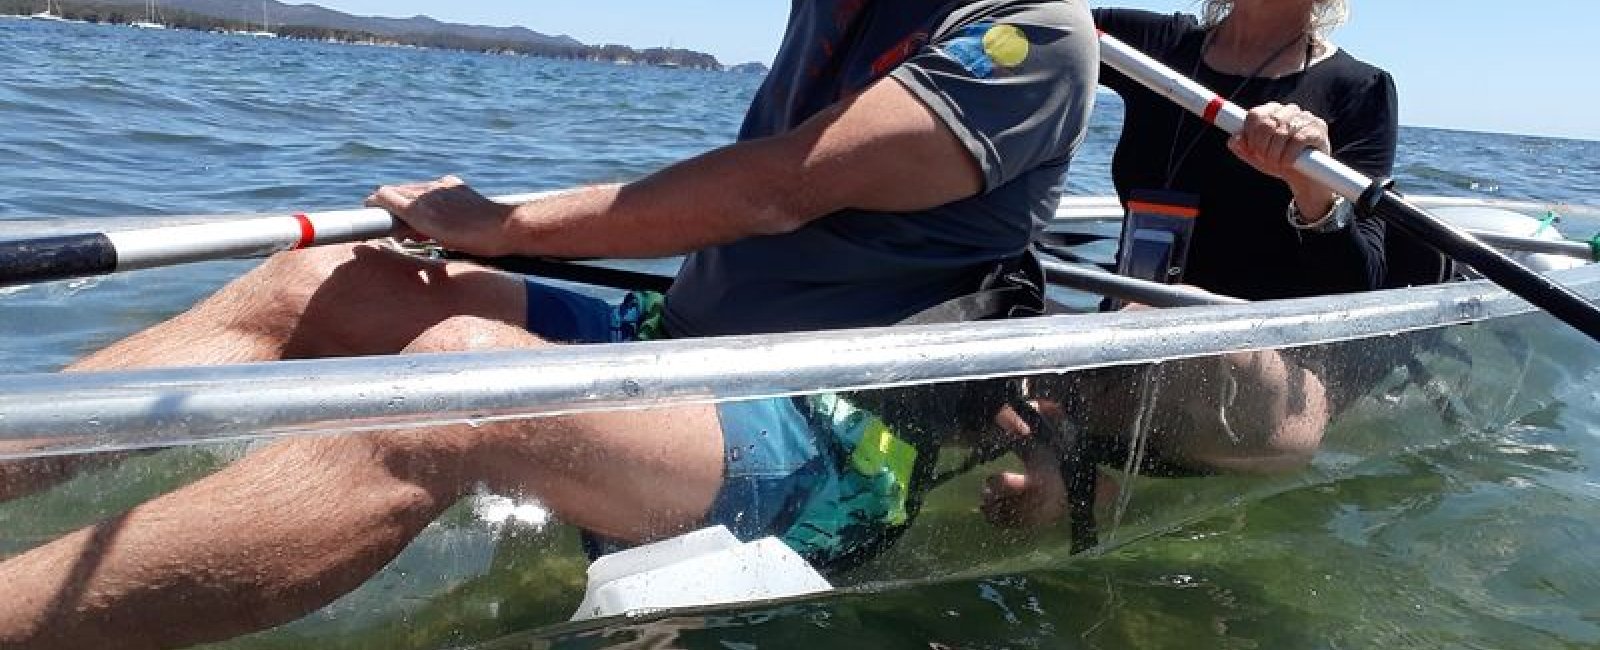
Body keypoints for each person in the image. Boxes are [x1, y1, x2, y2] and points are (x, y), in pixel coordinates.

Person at [0, 1, 1098, 648]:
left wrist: (502, 226)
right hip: (682, 340)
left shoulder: (1030, 34)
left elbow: (779, 189)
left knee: (462, 383)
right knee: (323, 282)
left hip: (839, 434)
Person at [982, 0, 1405, 529]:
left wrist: (1312, 186)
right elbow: (1011, 20)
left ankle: (1060, 448)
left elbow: (1358, 286)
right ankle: (1064, 465)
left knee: (1149, 324)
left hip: (1257, 374)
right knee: (973, 297)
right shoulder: (1153, 45)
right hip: (1122, 344)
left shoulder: (1358, 88)